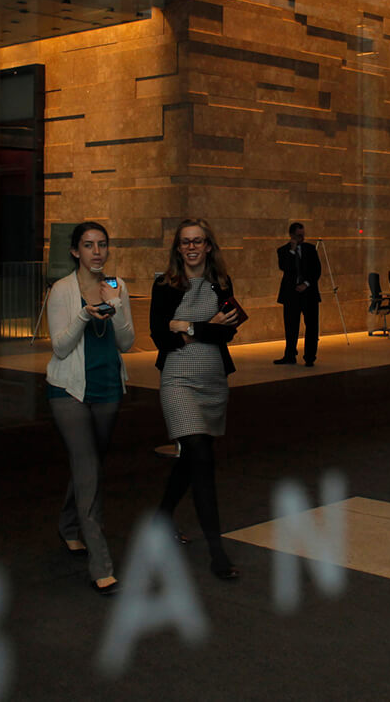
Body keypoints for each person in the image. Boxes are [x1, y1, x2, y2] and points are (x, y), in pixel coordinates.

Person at [149, 218, 245, 580]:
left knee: (192, 459)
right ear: (178, 248)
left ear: (208, 246)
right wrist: (208, 327)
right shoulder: (165, 285)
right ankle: (217, 552)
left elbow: (229, 332)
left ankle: (161, 517)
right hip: (177, 381)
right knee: (200, 457)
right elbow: (160, 336)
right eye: (185, 242)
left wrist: (186, 327)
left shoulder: (221, 283)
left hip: (213, 381)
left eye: (198, 241)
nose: (191, 247)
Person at [44, 221, 134, 596]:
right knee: (87, 467)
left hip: (109, 386)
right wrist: (85, 314)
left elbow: (127, 343)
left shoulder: (117, 286)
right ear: (74, 252)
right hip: (68, 390)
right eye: (88, 245)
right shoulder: (61, 291)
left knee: (90, 465)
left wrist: (115, 309)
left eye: (102, 245)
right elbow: (60, 348)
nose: (97, 252)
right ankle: (102, 565)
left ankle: (68, 525)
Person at [274, 222, 321, 367]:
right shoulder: (283, 251)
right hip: (291, 294)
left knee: (312, 326)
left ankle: (310, 356)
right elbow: (285, 267)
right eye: (299, 235)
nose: (302, 237)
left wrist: (306, 284)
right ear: (292, 235)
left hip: (309, 294)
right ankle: (290, 355)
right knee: (291, 326)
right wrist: (292, 251)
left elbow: (316, 270)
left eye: (303, 235)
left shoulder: (311, 249)